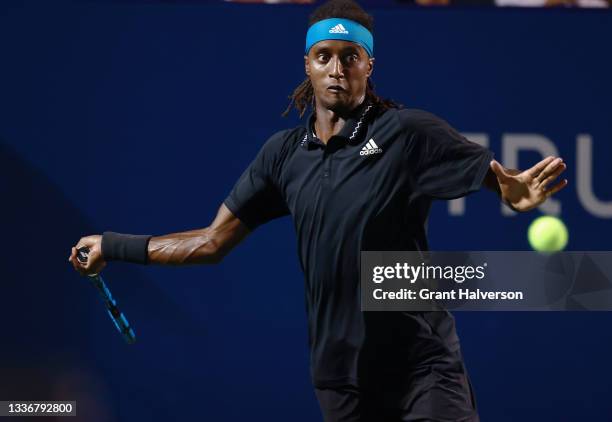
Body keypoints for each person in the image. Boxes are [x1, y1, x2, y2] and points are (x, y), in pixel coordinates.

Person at [68, 1, 567, 420]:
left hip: (422, 368)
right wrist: (115, 246)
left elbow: (502, 183)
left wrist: (514, 192)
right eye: (324, 56)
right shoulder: (282, 155)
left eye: (351, 56)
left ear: (369, 65)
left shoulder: (408, 134)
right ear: (306, 63)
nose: (337, 69)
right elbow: (211, 241)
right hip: (340, 380)